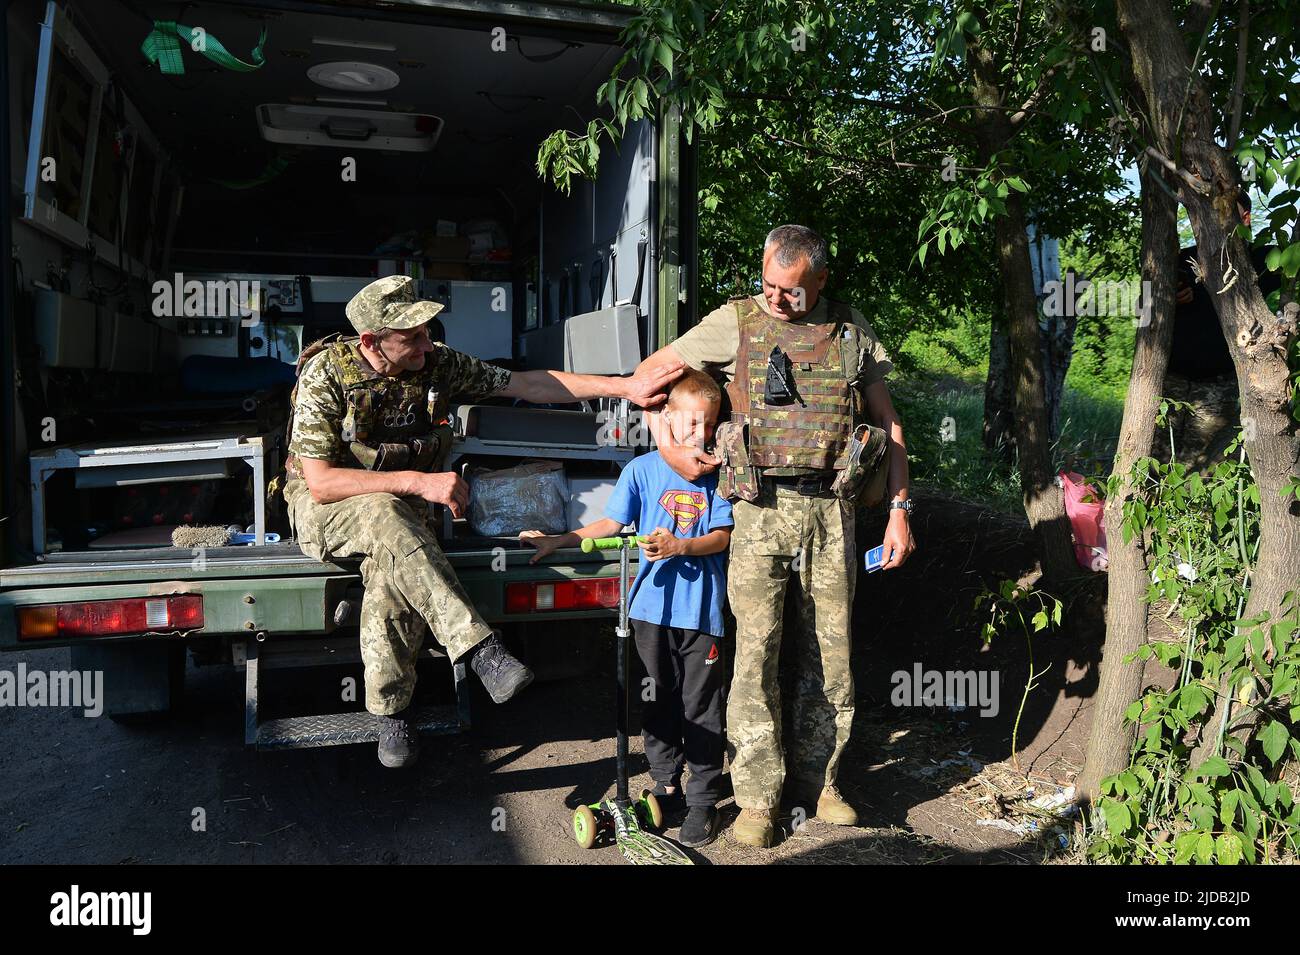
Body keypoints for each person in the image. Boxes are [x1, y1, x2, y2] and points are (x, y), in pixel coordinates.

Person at [283, 275, 682, 768]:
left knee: (392, 571)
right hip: (328, 509)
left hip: (399, 516)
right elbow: (320, 482)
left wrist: (626, 388)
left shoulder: (437, 362)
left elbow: (530, 384)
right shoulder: (326, 375)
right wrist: (420, 482)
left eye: (429, 331)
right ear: (371, 342)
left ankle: (391, 713)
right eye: (412, 337)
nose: (428, 345)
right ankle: (480, 649)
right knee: (384, 511)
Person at [633, 225, 915, 847]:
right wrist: (671, 451)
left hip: (831, 511)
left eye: (790, 290)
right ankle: (758, 799)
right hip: (757, 512)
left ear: (820, 280)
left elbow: (888, 424)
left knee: (830, 659)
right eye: (768, 284)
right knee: (755, 656)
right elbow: (648, 379)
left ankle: (824, 783)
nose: (777, 299)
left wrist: (898, 510)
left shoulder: (851, 329)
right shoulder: (733, 322)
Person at [520, 370, 733, 847]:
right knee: (657, 696)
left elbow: (721, 536)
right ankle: (665, 783)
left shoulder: (719, 475)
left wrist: (681, 545)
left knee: (702, 706)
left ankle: (702, 800)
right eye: (692, 423)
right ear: (668, 419)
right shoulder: (641, 470)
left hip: (701, 614)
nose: (701, 434)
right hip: (649, 611)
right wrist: (562, 539)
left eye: (710, 425)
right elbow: (614, 521)